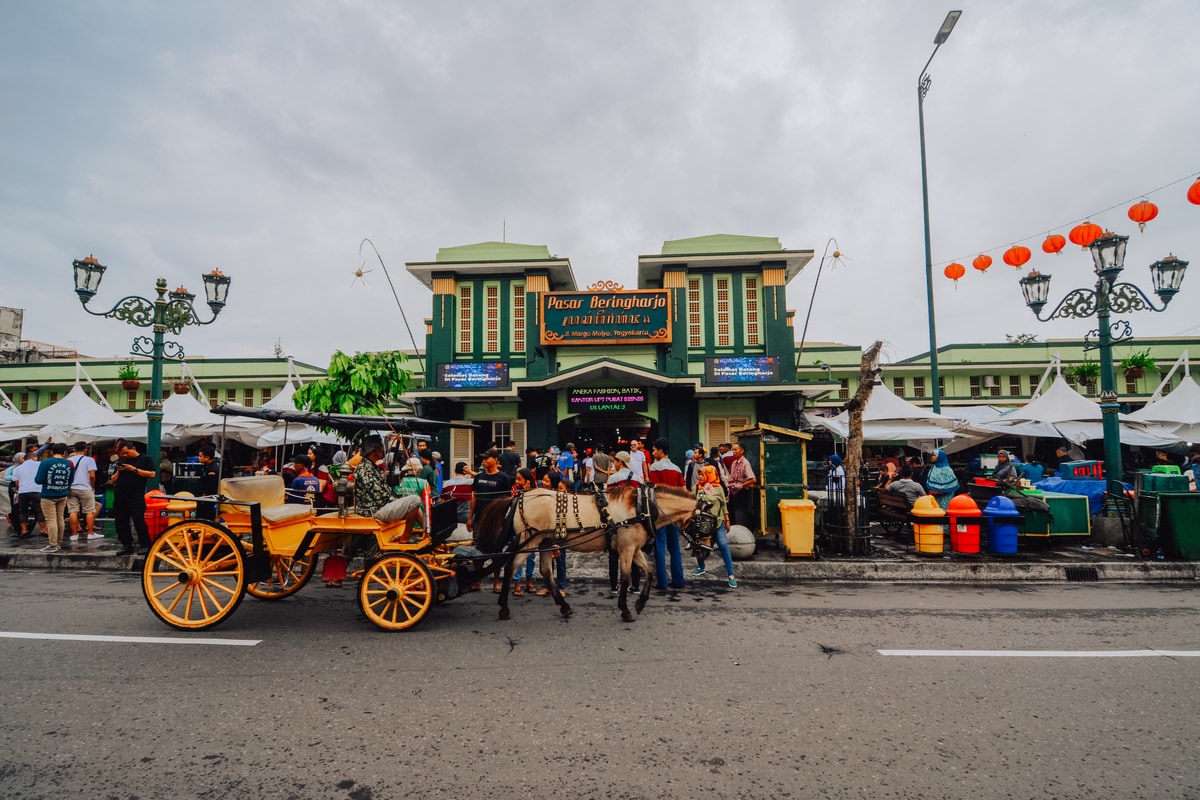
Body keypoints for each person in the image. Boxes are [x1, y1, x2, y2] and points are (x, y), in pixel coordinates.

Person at [647, 438, 686, 591]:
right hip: (674, 511)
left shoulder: (655, 467)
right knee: (675, 548)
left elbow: (653, 491)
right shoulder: (677, 468)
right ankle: (678, 580)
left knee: (659, 547)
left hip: (661, 512)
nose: (653, 452)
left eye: (654, 450)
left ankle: (662, 582)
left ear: (660, 451)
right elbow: (683, 490)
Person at [693, 464, 737, 588]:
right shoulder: (696, 488)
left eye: (703, 474)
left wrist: (727, 520)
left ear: (709, 475)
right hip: (702, 525)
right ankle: (701, 567)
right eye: (700, 474)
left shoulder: (718, 488)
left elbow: (723, 505)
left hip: (718, 523)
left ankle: (731, 574)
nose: (700, 476)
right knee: (699, 545)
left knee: (723, 544)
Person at [111, 441, 155, 556]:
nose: (125, 455)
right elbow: (112, 480)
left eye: (126, 452)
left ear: (133, 448)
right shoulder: (122, 461)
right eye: (122, 454)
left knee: (138, 520)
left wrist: (133, 469)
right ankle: (126, 545)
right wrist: (119, 472)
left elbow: (151, 474)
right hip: (120, 494)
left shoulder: (145, 459)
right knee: (121, 522)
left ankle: (145, 544)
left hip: (136, 495)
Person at [35, 443, 73, 553]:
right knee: (60, 518)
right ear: (65, 452)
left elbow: (38, 480)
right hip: (63, 494)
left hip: (48, 494)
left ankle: (52, 545)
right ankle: (59, 542)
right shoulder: (69, 463)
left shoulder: (46, 462)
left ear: (52, 451)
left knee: (51, 519)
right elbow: (71, 480)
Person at [467, 449, 513, 536]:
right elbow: (474, 497)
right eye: (483, 459)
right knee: (477, 544)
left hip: (494, 520)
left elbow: (507, 500)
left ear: (495, 460)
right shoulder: (478, 477)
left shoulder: (503, 478)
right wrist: (470, 518)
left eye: (486, 459)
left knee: (493, 546)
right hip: (479, 518)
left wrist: (501, 518)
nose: (483, 461)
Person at [508, 468, 538, 596]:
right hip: (518, 526)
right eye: (516, 479)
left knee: (531, 556)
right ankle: (517, 583)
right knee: (519, 553)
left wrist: (528, 492)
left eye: (519, 479)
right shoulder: (515, 489)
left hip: (532, 527)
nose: (517, 482)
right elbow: (513, 503)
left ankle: (529, 581)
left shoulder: (536, 491)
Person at [67, 442, 100, 542]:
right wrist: (92, 486)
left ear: (74, 450)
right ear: (85, 449)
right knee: (89, 511)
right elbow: (92, 475)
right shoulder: (89, 460)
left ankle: (74, 534)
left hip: (71, 488)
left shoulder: (68, 460)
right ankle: (90, 533)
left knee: (73, 511)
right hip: (85, 488)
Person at [13, 448, 45, 538]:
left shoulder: (17, 469)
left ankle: (24, 530)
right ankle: (43, 529)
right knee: (40, 511)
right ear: (34, 457)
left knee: (23, 511)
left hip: (23, 491)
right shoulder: (40, 465)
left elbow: (17, 483)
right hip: (37, 490)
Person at [726, 442, 757, 529]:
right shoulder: (734, 463)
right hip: (732, 492)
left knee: (741, 514)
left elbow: (753, 479)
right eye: (733, 450)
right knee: (732, 514)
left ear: (742, 451)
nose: (734, 451)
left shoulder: (745, 463)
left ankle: (743, 532)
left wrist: (741, 486)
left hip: (741, 492)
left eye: (736, 450)